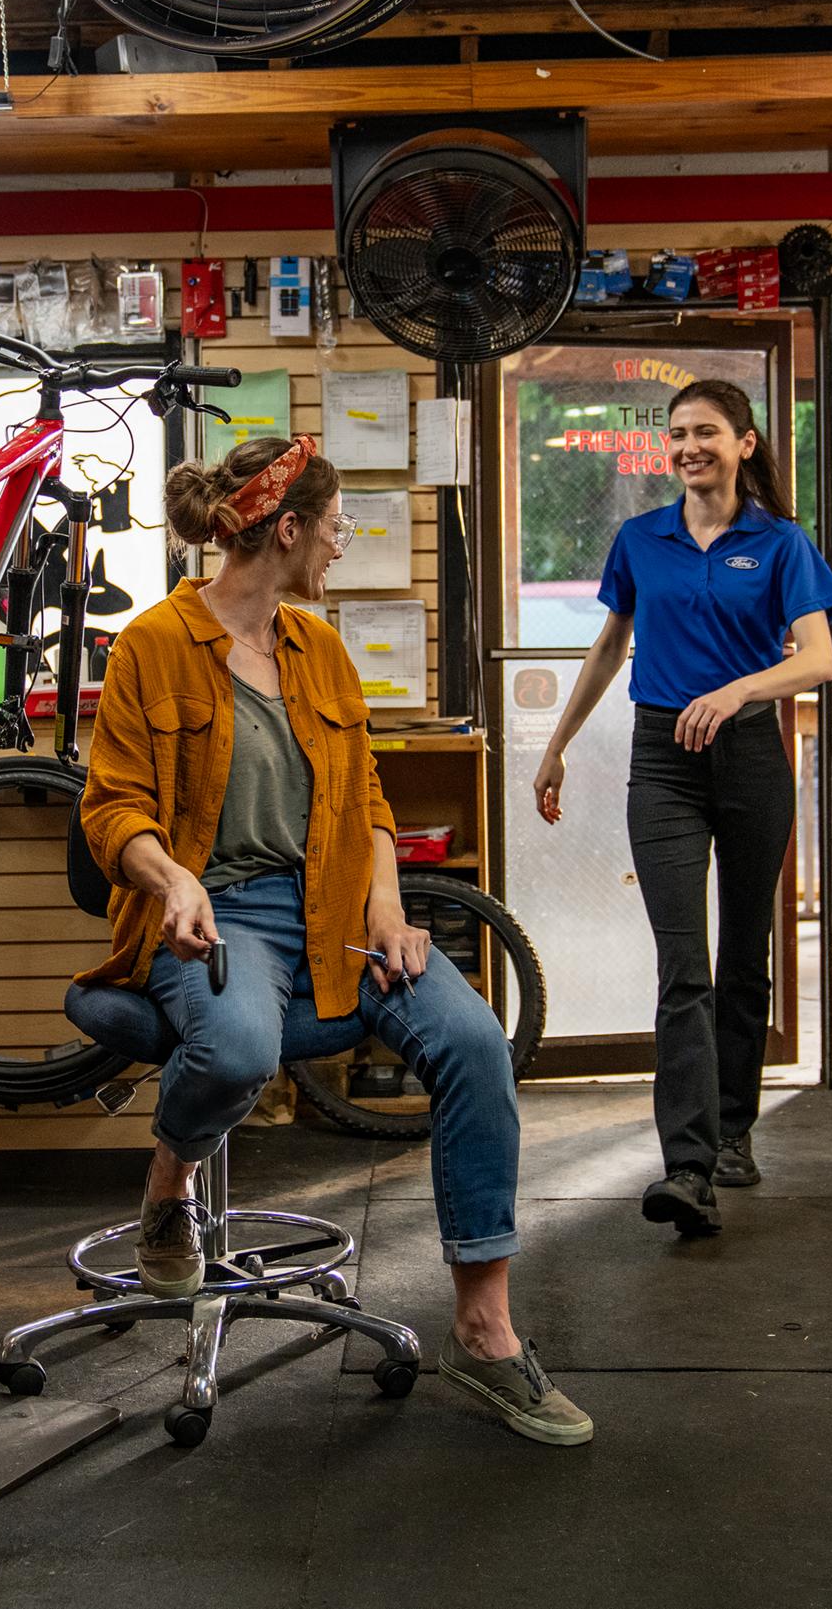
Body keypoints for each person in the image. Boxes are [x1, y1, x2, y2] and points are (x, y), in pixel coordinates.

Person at [73, 433, 592, 1446]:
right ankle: (169, 1181)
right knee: (238, 1049)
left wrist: (390, 911)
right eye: (336, 526)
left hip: (342, 912)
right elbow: (111, 809)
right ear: (290, 529)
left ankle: (485, 1331)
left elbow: (370, 803)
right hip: (218, 910)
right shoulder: (154, 644)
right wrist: (172, 875)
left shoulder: (322, 649)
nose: (342, 548)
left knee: (477, 1042)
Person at [532, 381, 832, 1238]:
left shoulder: (781, 544)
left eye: (705, 431)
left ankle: (736, 1128)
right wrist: (557, 744)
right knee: (684, 963)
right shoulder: (643, 538)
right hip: (661, 758)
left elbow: (817, 659)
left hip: (748, 754)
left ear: (745, 442)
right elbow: (609, 645)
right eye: (676, 434)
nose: (688, 445)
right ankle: (690, 1166)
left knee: (745, 952)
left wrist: (741, 688)